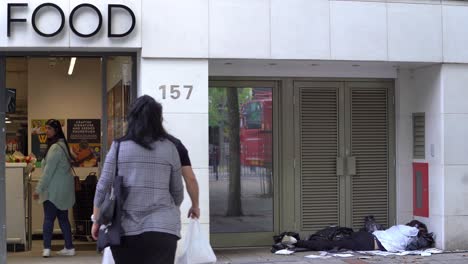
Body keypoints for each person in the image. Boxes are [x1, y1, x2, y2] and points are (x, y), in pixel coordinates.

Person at [91, 95, 200, 264]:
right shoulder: (171, 147)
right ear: (158, 119)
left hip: (126, 231)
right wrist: (169, 209)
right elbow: (177, 191)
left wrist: (96, 220)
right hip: (163, 230)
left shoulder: (118, 146)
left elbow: (103, 186)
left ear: (131, 118)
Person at [33, 119, 76, 258]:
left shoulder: (55, 148)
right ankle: (69, 247)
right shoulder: (64, 145)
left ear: (56, 130)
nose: (47, 131)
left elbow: (48, 172)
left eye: (49, 129)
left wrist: (38, 189)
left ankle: (46, 248)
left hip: (53, 191)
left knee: (48, 219)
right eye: (46, 128)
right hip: (63, 191)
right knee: (63, 219)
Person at [290, 220, 434, 252]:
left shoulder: (398, 229)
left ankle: (301, 242)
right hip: (370, 243)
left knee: (333, 243)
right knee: (330, 245)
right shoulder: (409, 230)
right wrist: (422, 232)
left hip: (366, 236)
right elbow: (417, 233)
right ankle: (297, 243)